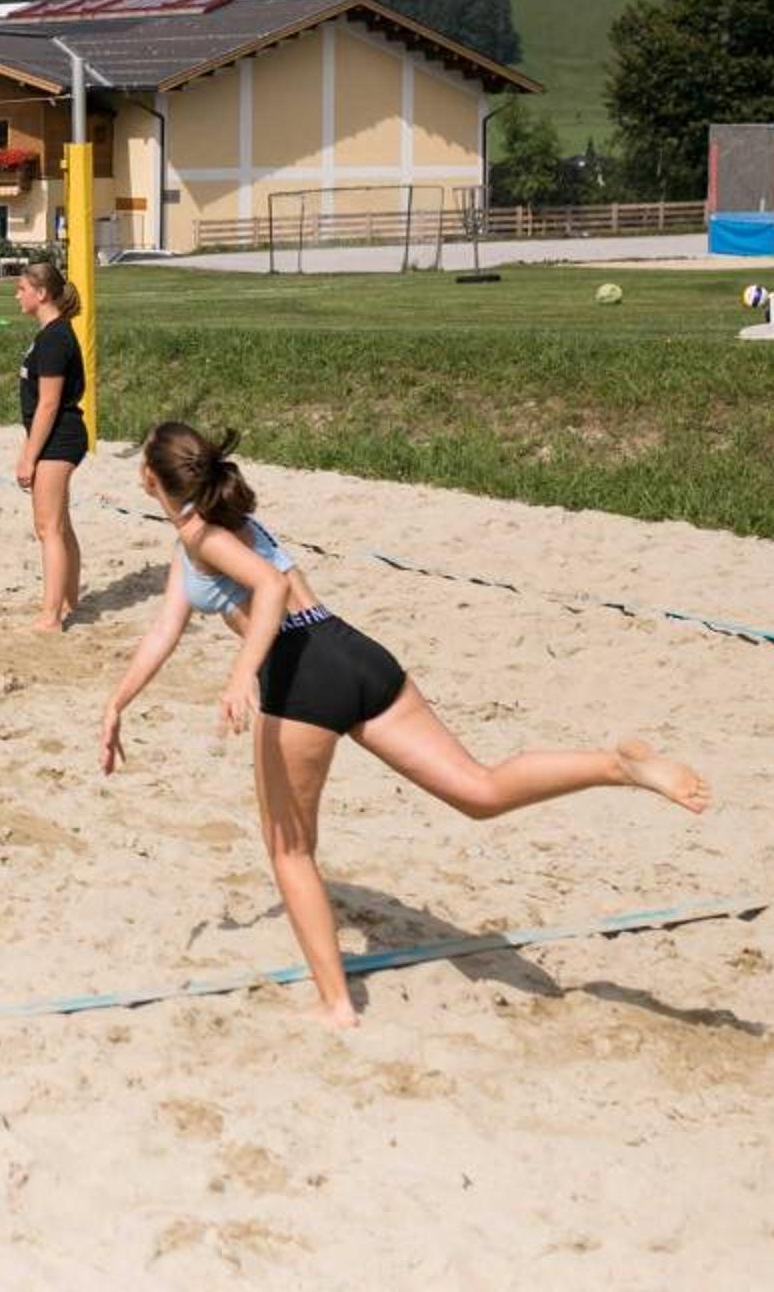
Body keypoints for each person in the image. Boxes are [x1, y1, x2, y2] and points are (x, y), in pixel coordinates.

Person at [99, 422, 710, 1029]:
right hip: (353, 652)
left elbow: (270, 586)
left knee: (290, 851)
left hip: (300, 674)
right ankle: (616, 765)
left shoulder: (202, 536)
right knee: (479, 790)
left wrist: (240, 676)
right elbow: (165, 629)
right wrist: (117, 704)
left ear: (148, 477)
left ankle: (336, 1005)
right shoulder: (213, 529)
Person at [12, 258, 87, 632]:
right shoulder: (50, 334)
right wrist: (27, 449)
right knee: (60, 524)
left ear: (41, 293)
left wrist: (29, 458)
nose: (17, 296)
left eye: (22, 289)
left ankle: (51, 616)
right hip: (53, 436)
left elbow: (49, 404)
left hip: (60, 439)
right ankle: (69, 600)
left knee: (48, 528)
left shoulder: (56, 338)